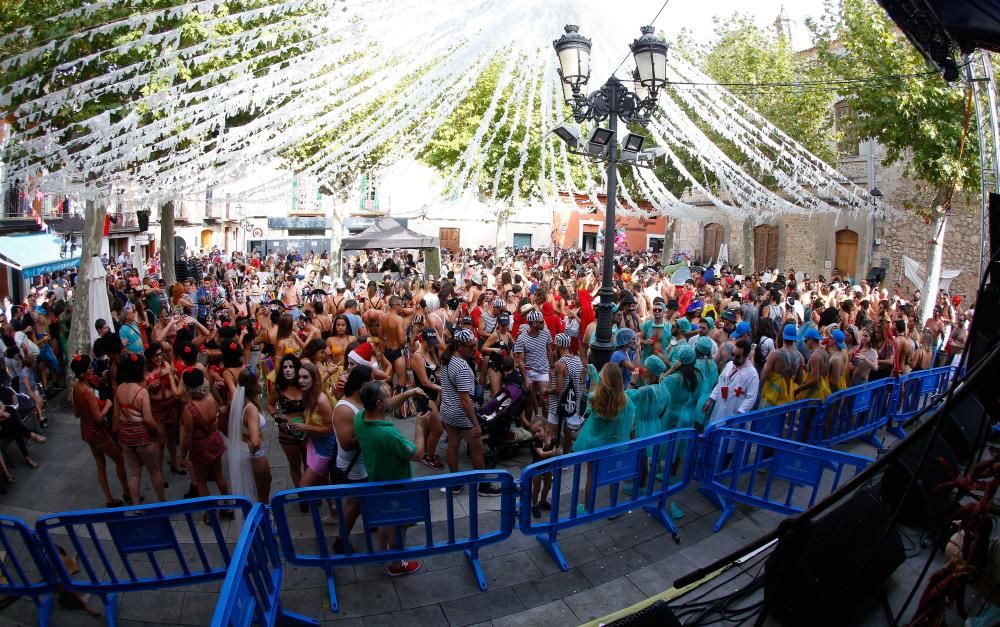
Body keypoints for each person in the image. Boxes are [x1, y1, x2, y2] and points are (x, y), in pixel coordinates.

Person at [354, 380, 430, 577]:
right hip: (397, 488)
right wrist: (420, 426)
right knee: (400, 525)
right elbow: (417, 454)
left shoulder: (360, 418)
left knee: (384, 519)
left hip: (378, 483)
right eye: (389, 394)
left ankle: (382, 551)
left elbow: (387, 406)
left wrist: (408, 393)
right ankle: (396, 564)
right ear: (379, 404)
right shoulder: (388, 434)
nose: (392, 396)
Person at [440, 329, 500, 495]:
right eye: (470, 346)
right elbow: (465, 399)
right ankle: (482, 485)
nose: (474, 349)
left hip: (447, 410)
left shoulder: (446, 359)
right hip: (461, 413)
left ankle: (456, 483)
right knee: (477, 448)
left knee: (453, 445)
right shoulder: (461, 367)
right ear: (459, 346)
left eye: (474, 345)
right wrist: (475, 424)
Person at [573, 362, 634, 513]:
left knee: (591, 476)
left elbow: (589, 410)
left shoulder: (594, 398)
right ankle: (613, 507)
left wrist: (594, 380)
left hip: (594, 444)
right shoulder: (626, 400)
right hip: (614, 443)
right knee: (614, 475)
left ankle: (587, 508)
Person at [71, 354, 127, 507]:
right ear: (83, 373)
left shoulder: (76, 388)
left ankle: (109, 498)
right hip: (98, 432)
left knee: (100, 464)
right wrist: (108, 404)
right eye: (89, 368)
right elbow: (98, 418)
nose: (91, 369)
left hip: (86, 430)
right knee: (119, 460)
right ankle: (127, 491)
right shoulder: (87, 392)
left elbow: (76, 413)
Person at [114, 353, 166, 503]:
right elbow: (148, 420)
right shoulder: (141, 391)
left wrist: (117, 435)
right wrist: (157, 433)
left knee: (134, 474)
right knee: (154, 471)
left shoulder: (119, 389)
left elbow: (116, 416)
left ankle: (136, 506)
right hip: (142, 434)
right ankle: (163, 503)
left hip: (125, 435)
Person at [228, 368, 271, 504]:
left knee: (255, 491)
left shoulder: (238, 402)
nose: (263, 383)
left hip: (247, 456)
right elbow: (255, 442)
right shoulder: (251, 409)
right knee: (263, 493)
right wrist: (250, 452)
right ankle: (266, 521)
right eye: (260, 380)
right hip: (257, 457)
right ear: (252, 386)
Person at [268, 354, 307, 490]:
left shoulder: (304, 385)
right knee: (295, 465)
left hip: (308, 431)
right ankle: (302, 495)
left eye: (291, 366)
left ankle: (311, 491)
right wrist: (277, 418)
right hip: (288, 434)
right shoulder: (279, 388)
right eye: (285, 367)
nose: (288, 369)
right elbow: (270, 404)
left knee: (309, 465)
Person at [410, 328, 444, 469]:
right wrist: (444, 389)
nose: (432, 345)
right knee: (438, 430)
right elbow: (424, 382)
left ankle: (424, 452)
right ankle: (428, 457)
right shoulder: (418, 356)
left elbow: (435, 373)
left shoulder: (431, 352)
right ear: (422, 340)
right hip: (424, 396)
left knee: (428, 429)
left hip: (432, 394)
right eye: (429, 342)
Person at [704, 340, 760, 423]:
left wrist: (739, 413)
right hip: (719, 409)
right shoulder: (729, 365)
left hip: (735, 415)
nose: (733, 358)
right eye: (733, 355)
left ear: (746, 356)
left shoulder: (752, 374)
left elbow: (751, 398)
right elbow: (720, 383)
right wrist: (710, 399)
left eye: (737, 357)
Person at [546, 333, 583, 451]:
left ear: (558, 346)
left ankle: (550, 457)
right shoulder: (578, 360)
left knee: (551, 433)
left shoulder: (559, 364)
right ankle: (566, 458)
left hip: (557, 403)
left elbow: (558, 389)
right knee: (568, 434)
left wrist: (546, 391)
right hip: (571, 402)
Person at [514, 309, 553, 422]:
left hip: (542, 370)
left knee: (545, 400)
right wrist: (525, 378)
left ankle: (546, 427)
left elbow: (549, 350)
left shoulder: (545, 333)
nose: (543, 323)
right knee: (529, 401)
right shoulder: (522, 338)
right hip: (529, 371)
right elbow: (520, 360)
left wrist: (551, 367)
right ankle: (528, 427)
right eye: (541, 322)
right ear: (534, 324)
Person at [759, 323, 803, 408]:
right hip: (787, 399)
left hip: (771, 399)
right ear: (795, 338)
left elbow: (763, 377)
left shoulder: (775, 354)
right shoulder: (800, 357)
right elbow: (799, 380)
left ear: (783, 336)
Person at [528, 420, 562, 519]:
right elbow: (542, 454)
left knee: (547, 486)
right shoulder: (536, 442)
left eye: (539, 431)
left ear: (546, 428)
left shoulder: (553, 440)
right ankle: (534, 505)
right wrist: (553, 451)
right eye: (534, 432)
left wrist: (559, 452)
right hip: (536, 468)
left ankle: (543, 501)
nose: (537, 434)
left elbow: (558, 452)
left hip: (547, 467)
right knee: (536, 488)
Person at [794, 328, 832, 401]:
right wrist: (808, 368)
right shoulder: (824, 352)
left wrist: (798, 390)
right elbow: (822, 371)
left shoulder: (815, 356)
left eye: (806, 340)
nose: (805, 343)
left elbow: (815, 380)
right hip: (824, 390)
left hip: (816, 394)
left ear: (811, 340)